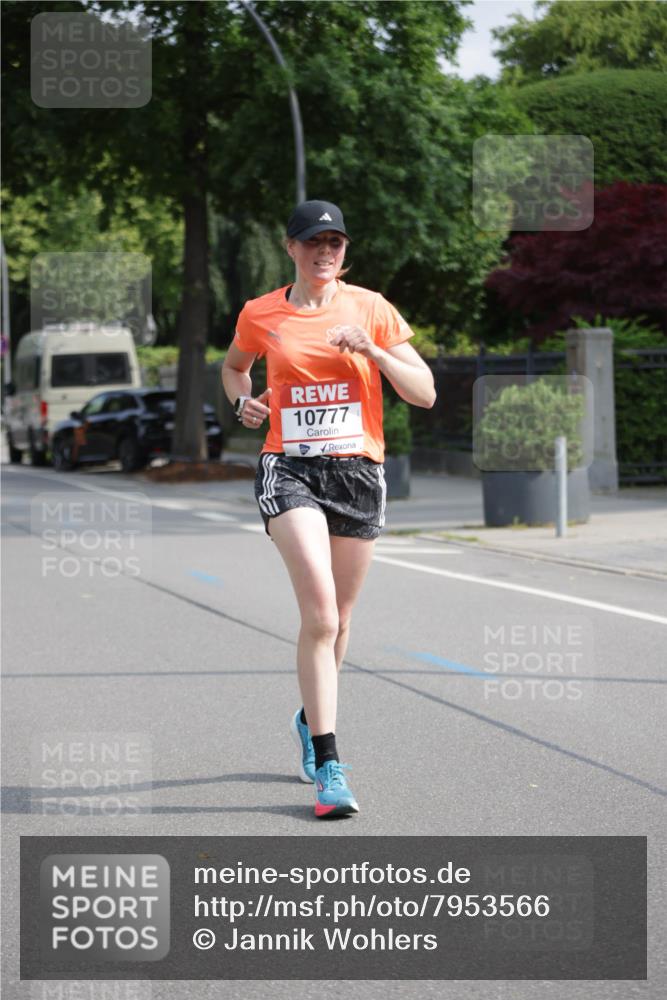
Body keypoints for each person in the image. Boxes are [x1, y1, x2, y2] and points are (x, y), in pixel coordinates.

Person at [222, 199, 435, 819]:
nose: (325, 252)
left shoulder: (370, 308)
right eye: (313, 242)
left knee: (339, 623)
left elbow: (422, 394)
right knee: (318, 613)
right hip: (289, 467)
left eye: (335, 243)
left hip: (358, 473)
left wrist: (372, 349)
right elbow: (236, 369)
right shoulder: (262, 312)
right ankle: (330, 763)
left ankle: (308, 715)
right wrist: (243, 404)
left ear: (345, 252)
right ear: (290, 247)